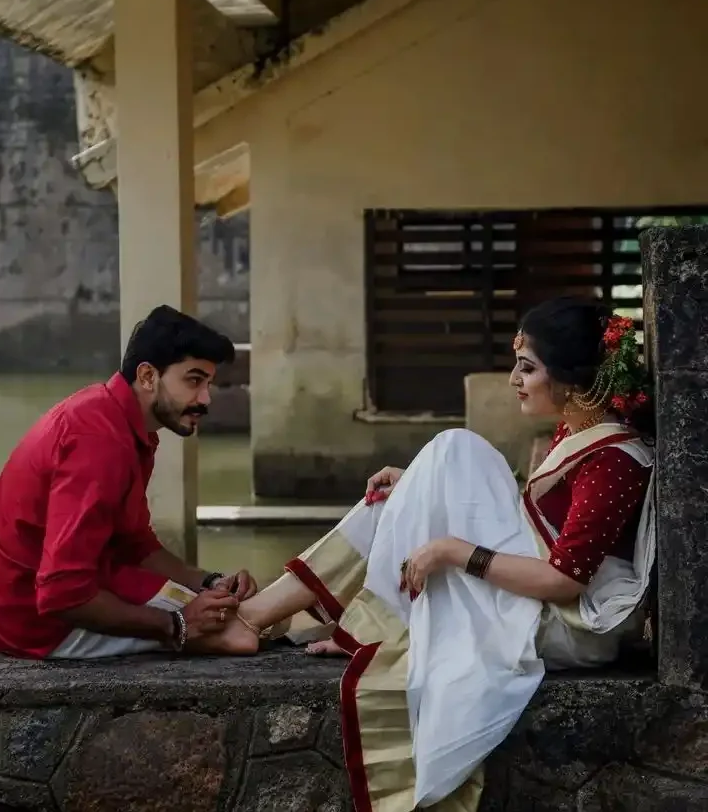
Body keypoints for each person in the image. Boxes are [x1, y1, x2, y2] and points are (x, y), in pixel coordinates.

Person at [192, 297, 655, 812]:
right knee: (416, 482)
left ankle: (281, 619)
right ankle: (266, 618)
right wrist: (419, 488)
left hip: (566, 621)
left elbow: (565, 581)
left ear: (570, 377)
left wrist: (454, 551)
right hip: (540, 593)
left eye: (527, 368)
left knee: (455, 449)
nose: (513, 380)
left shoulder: (614, 460)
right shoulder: (579, 430)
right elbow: (524, 518)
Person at [0, 305, 257, 660]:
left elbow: (134, 544)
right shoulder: (98, 440)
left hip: (81, 583)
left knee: (230, 610)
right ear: (148, 376)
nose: (205, 399)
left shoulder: (120, 423)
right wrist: (177, 624)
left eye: (208, 384)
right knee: (239, 632)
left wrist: (208, 581)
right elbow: (61, 591)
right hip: (37, 621)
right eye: (193, 381)